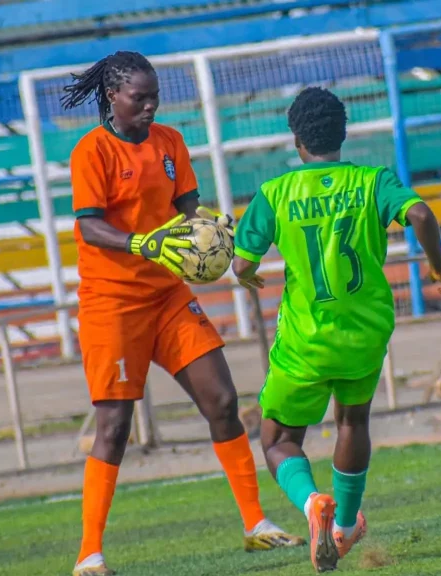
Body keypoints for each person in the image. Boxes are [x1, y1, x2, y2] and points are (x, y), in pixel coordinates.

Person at [61, 51, 302, 576]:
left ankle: (257, 524)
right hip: (112, 302)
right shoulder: (92, 152)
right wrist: (142, 243)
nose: (149, 107)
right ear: (112, 97)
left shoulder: (169, 141)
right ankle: (89, 555)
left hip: (167, 296)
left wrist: (217, 232)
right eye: (138, 98)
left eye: (155, 98)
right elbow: (89, 228)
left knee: (222, 399)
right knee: (115, 425)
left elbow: (190, 212)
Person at [231, 87, 441, 572]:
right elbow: (419, 213)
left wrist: (246, 272)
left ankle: (313, 502)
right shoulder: (373, 181)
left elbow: (242, 262)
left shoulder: (275, 193)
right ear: (344, 134)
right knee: (353, 421)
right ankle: (346, 523)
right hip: (364, 331)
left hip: (304, 341)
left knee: (277, 440)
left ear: (297, 140)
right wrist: (437, 269)